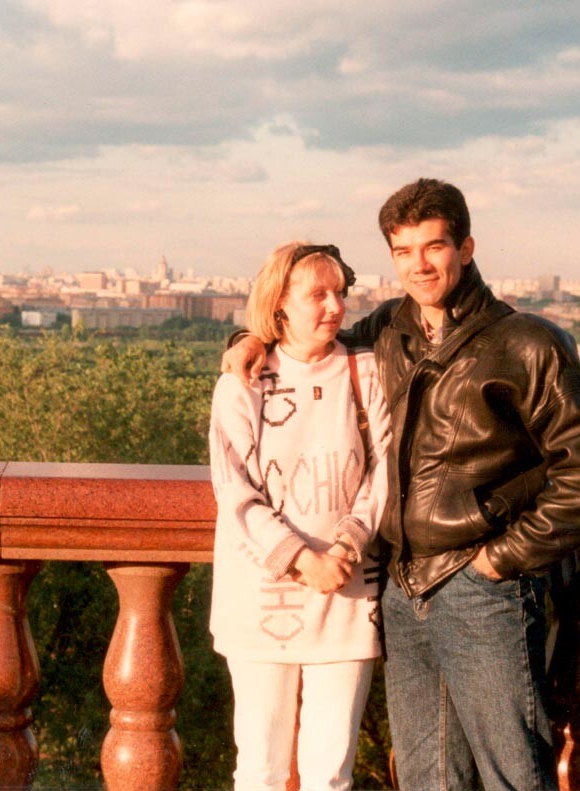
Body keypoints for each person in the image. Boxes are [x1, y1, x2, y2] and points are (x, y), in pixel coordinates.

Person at [221, 179, 580, 790]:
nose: (419, 265)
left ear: (466, 248)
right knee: (427, 779)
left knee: (511, 775)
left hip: (482, 587)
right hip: (401, 585)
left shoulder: (524, 343)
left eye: (433, 247)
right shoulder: (389, 330)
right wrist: (247, 340)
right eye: (402, 251)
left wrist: (503, 559)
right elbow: (307, 346)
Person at [208, 241, 392, 791]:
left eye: (340, 292)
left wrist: (342, 548)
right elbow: (234, 489)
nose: (335, 306)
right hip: (263, 598)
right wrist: (299, 559)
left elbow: (384, 467)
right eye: (318, 294)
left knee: (329, 771)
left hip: (347, 592)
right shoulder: (243, 382)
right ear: (280, 303)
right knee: (260, 768)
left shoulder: (366, 373)